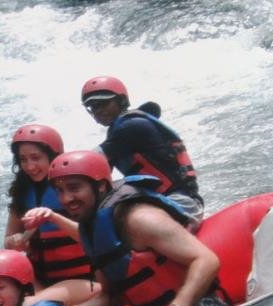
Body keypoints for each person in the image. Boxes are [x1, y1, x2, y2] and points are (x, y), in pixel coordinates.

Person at [46, 150, 225, 306]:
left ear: (101, 185)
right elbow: (112, 298)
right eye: (59, 191)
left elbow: (206, 259)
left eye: (74, 188)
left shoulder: (139, 218)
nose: (66, 198)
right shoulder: (91, 229)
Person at [81, 75, 204, 229]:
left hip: (181, 202)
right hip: (164, 200)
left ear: (121, 101)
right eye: (94, 107)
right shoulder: (120, 130)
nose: (99, 111)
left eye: (104, 103)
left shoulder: (132, 127)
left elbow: (88, 162)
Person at [3, 124, 99, 306]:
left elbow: (96, 238)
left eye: (36, 158)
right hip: (40, 283)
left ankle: (34, 305)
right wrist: (16, 241)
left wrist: (52, 217)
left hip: (88, 281)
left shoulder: (77, 190)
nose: (29, 166)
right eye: (23, 159)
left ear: (53, 156)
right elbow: (8, 242)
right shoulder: (22, 193)